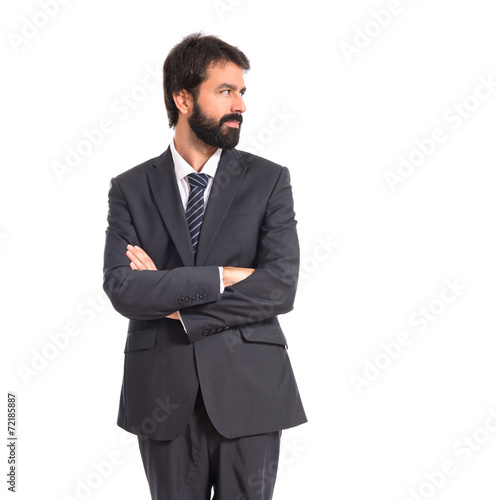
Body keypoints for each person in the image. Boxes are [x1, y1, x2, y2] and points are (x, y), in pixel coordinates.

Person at [102, 33, 307, 500]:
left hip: (251, 388)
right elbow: (122, 288)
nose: (241, 106)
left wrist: (174, 298)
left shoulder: (269, 180)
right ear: (183, 98)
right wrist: (221, 277)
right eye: (225, 91)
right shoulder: (130, 188)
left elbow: (279, 288)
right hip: (161, 392)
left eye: (242, 92)